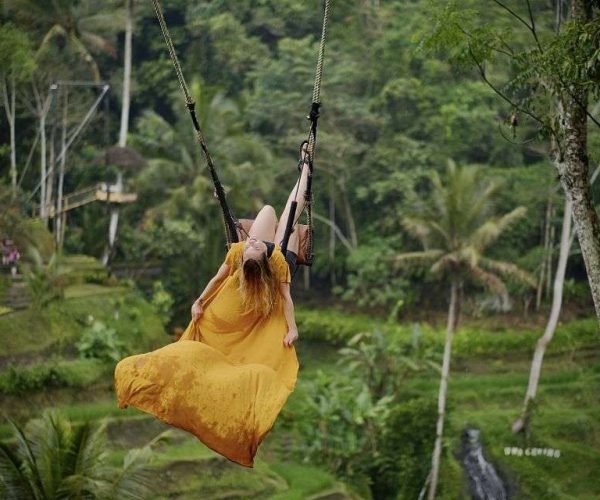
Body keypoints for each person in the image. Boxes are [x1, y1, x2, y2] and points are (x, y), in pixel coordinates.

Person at [114, 142, 312, 467]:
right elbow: (234, 283)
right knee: (280, 211)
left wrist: (291, 328)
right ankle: (305, 168)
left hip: (275, 263)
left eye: (250, 245)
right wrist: (200, 301)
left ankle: (305, 169)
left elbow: (260, 292)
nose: (248, 242)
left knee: (280, 211)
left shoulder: (260, 256)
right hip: (278, 260)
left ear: (257, 251)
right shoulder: (259, 257)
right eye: (249, 244)